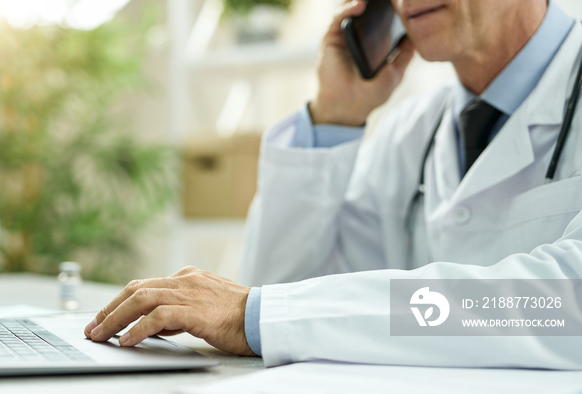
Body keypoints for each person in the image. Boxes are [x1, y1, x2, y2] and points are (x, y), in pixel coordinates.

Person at [85, 0, 582, 369]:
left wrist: (258, 313)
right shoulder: (415, 132)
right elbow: (284, 290)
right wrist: (335, 117)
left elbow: (567, 302)